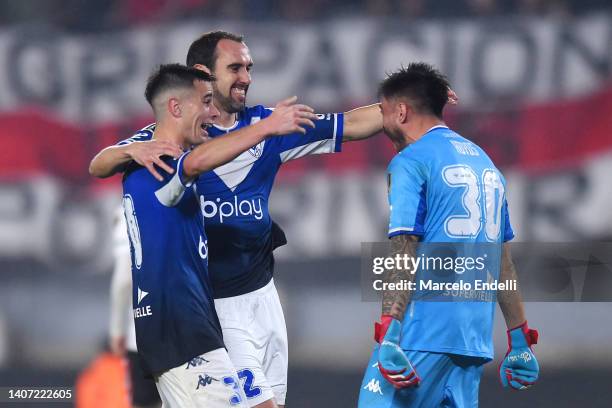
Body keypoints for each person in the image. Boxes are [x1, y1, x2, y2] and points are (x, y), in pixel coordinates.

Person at [89, 31, 458, 408]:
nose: (247, 77)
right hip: (213, 308)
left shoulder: (268, 124)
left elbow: (352, 123)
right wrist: (132, 148)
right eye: (235, 67)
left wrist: (419, 99)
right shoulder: (172, 141)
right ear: (203, 73)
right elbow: (100, 163)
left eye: (249, 67)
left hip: (263, 299)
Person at [122, 63, 316, 407]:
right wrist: (266, 128)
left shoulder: (139, 159)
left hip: (181, 329)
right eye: (206, 102)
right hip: (183, 329)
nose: (213, 113)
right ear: (176, 108)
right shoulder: (161, 164)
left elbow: (100, 164)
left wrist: (115, 152)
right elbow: (196, 164)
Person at [358, 63, 539, 407]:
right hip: (472, 344)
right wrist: (520, 340)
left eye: (381, 112)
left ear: (401, 111)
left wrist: (390, 334)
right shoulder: (487, 164)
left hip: (420, 336)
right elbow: (503, 265)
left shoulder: (411, 161)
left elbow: (403, 251)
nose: (379, 124)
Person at [109, 207, 161, 408]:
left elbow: (123, 280)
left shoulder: (129, 209)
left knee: (145, 402)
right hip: (190, 329)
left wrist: (117, 330)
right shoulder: (193, 198)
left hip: (143, 333)